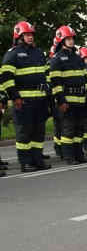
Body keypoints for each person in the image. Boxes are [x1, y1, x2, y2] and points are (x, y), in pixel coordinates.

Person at [1, 21, 52, 172]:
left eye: (31, 35)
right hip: (23, 101)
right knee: (24, 133)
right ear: (19, 36)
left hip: (39, 100)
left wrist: (48, 86)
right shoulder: (12, 54)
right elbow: (7, 79)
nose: (30, 37)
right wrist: (15, 97)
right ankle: (26, 163)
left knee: (38, 132)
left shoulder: (38, 52)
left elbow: (46, 73)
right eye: (27, 35)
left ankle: (37, 160)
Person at [49, 26, 87, 165]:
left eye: (72, 38)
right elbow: (56, 82)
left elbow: (85, 78)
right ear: (61, 41)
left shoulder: (78, 58)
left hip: (80, 99)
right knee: (68, 130)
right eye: (68, 38)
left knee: (79, 129)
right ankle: (69, 156)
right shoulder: (57, 59)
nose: (71, 41)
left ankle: (79, 154)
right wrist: (60, 100)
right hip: (67, 100)